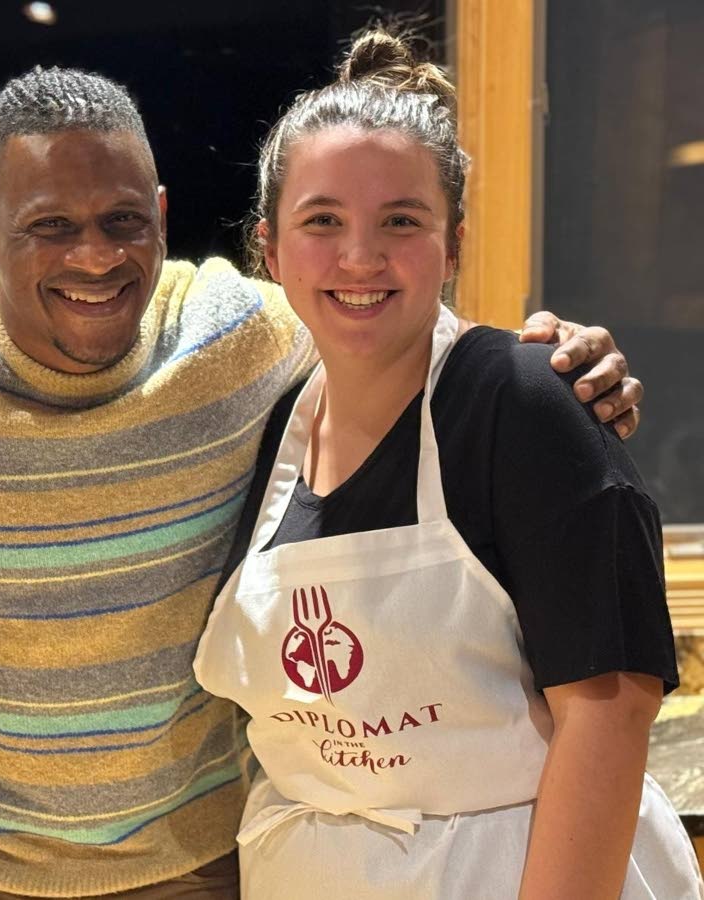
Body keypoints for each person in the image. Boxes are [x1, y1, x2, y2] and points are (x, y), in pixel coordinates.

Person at [0, 67, 646, 899]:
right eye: (50, 226)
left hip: (198, 868)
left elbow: (386, 315)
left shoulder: (242, 334)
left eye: (123, 221)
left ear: (163, 214)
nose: (96, 256)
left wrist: (558, 368)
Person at [192, 30, 703, 899]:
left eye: (402, 220)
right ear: (270, 253)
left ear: (454, 245)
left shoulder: (527, 405)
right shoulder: (276, 422)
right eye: (323, 221)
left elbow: (611, 713)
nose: (360, 256)